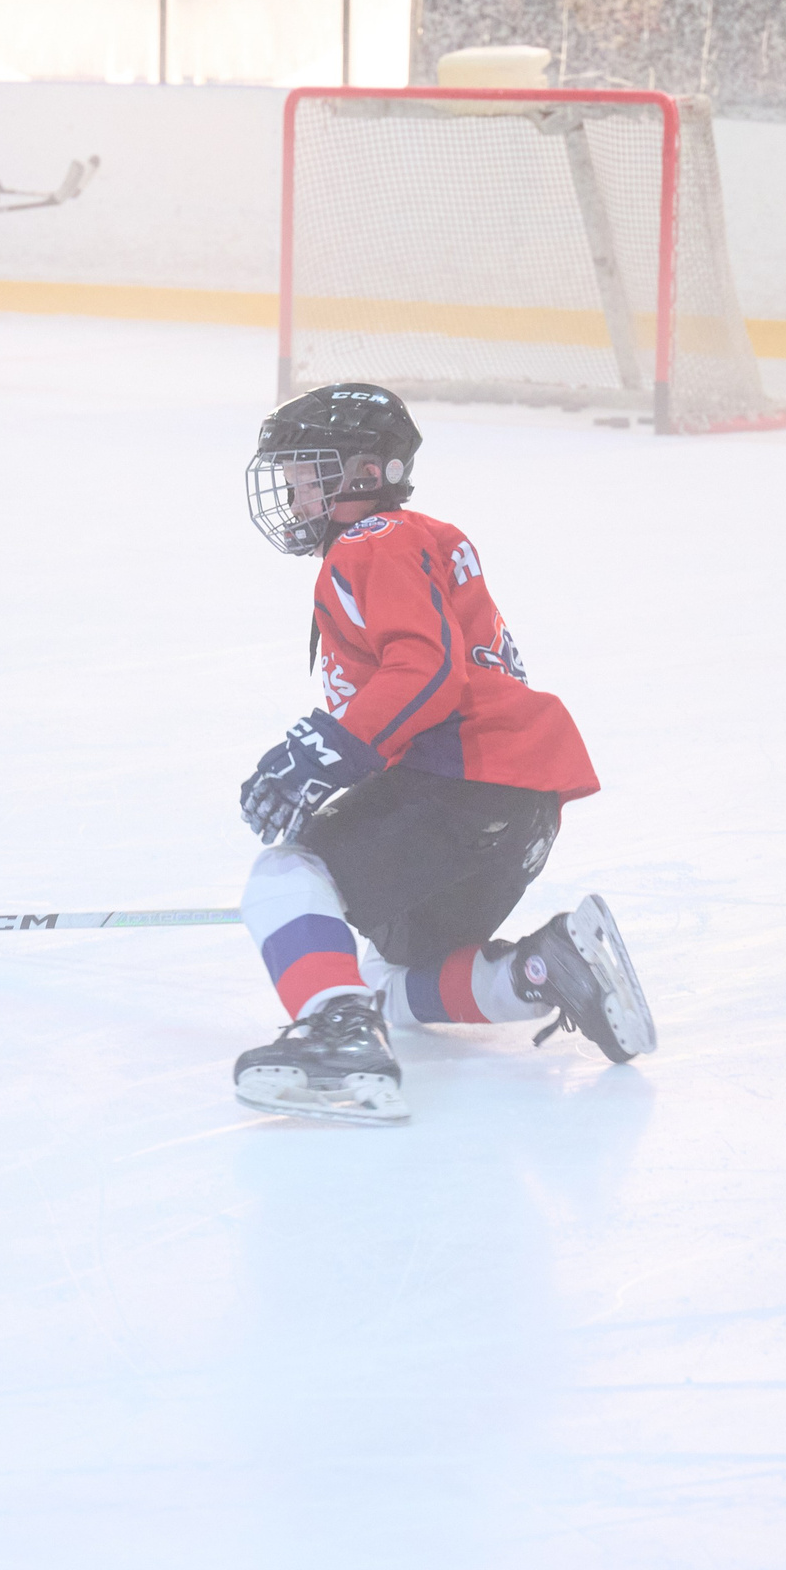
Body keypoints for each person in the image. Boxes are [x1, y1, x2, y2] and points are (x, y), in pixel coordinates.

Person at [228, 384, 653, 1124]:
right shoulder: (415, 543)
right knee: (389, 978)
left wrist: (330, 747)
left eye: (307, 474)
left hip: (461, 784)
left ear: (365, 472)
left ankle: (338, 1041)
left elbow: (425, 668)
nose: (293, 493)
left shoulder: (372, 543)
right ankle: (540, 968)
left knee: (285, 875)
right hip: (516, 805)